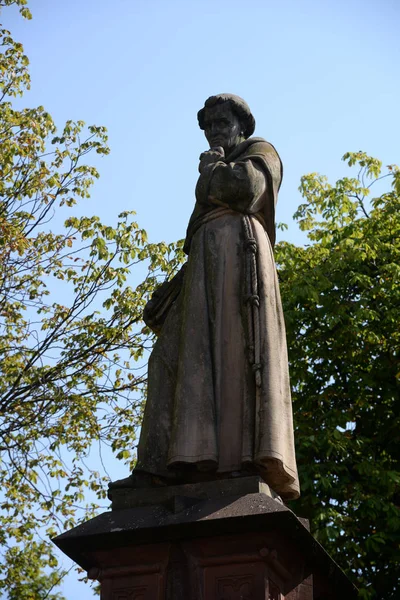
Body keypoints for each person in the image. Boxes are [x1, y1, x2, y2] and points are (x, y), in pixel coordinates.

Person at [115, 94, 300, 501]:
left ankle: (236, 458)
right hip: (205, 268)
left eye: (221, 122)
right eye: (208, 125)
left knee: (234, 354)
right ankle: (163, 465)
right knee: (169, 355)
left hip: (239, 260)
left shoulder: (261, 152)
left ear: (241, 125)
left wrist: (212, 167)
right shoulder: (219, 167)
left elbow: (243, 189)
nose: (214, 130)